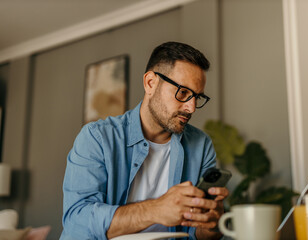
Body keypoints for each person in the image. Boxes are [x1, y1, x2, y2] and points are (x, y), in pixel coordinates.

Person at [61, 41, 229, 240]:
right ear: (150, 83)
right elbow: (77, 222)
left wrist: (211, 224)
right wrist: (156, 210)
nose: (191, 107)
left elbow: (196, 235)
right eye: (183, 93)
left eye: (197, 97)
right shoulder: (97, 138)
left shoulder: (201, 145)